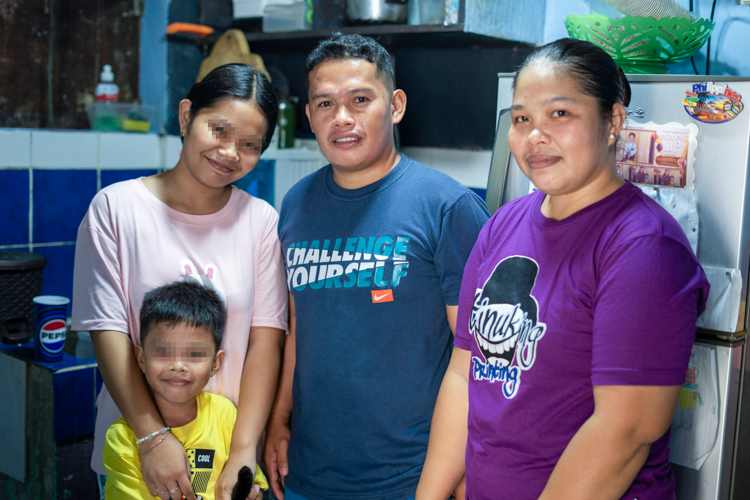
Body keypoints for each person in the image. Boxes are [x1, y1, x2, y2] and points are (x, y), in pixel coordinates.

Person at [416, 38, 709, 500]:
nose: (534, 136)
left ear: (612, 121)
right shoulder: (502, 226)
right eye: (521, 119)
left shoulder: (643, 246)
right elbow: (464, 374)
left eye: (559, 114)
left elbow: (624, 432)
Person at [263, 33, 490, 500]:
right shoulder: (296, 204)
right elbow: (296, 327)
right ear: (308, 116)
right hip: (307, 474)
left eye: (360, 99)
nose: (341, 118)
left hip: (414, 479)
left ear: (396, 105)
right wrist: (279, 420)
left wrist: (463, 472)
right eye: (324, 104)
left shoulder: (447, 206)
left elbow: (481, 361)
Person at [72, 63, 288, 500]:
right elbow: (108, 333)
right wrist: (151, 438)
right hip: (136, 456)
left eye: (250, 145)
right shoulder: (115, 210)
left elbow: (266, 341)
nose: (230, 152)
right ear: (187, 116)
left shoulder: (261, 221)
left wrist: (244, 449)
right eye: (219, 129)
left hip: (227, 460)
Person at [104, 281, 269, 499]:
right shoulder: (122, 438)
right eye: (163, 351)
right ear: (141, 359)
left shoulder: (225, 415)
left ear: (215, 364)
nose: (178, 365)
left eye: (194, 354)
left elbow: (248, 484)